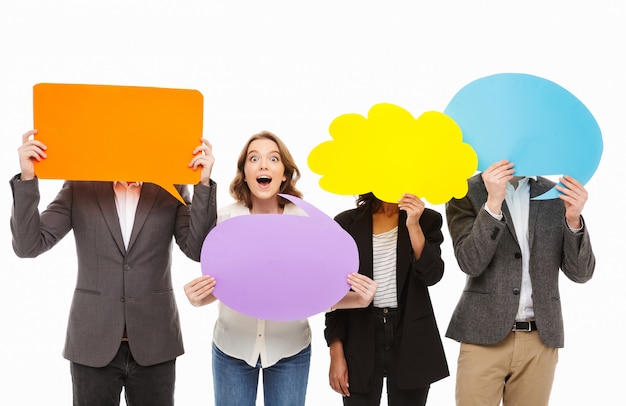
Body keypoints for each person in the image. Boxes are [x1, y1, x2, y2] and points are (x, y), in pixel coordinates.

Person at [10, 129, 218, 406]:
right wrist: (27, 178)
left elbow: (197, 249)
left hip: (155, 341)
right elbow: (28, 245)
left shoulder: (171, 188)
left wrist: (201, 183)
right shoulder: (80, 186)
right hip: (92, 341)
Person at [183, 130, 377, 406]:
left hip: (290, 352)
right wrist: (197, 297)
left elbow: (315, 295)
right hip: (232, 349)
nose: (263, 165)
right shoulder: (223, 222)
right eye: (254, 159)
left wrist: (359, 299)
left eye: (273, 159)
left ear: (284, 173)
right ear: (244, 173)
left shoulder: (308, 224)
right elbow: (223, 288)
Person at [445, 160, 596, 406]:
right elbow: (470, 262)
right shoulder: (464, 192)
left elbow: (581, 273)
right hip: (482, 336)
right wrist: (493, 203)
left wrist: (574, 219)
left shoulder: (557, 194)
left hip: (540, 339)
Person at [324, 192, 450, 406]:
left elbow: (431, 275)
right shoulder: (346, 223)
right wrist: (336, 353)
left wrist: (413, 225)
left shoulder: (427, 220)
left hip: (410, 333)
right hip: (359, 331)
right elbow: (333, 294)